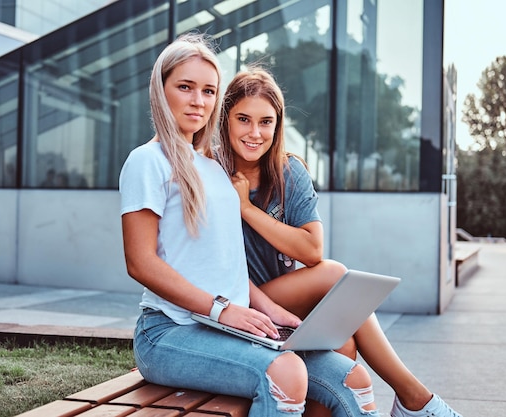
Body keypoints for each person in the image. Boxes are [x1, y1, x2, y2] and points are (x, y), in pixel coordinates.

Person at [119, 33, 380, 417]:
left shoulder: (213, 169)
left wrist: (268, 307)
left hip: (224, 328)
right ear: (161, 89)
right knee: (285, 372)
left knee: (353, 380)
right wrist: (222, 310)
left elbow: (226, 264)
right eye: (185, 87)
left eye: (209, 91)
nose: (198, 100)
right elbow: (140, 263)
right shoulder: (148, 161)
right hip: (167, 333)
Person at [216, 66, 464, 417]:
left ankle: (412, 399)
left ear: (278, 124)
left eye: (266, 122)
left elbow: (311, 250)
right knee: (335, 273)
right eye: (243, 119)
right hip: (235, 302)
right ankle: (413, 397)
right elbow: (319, 261)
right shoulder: (211, 172)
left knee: (344, 343)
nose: (255, 132)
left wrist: (246, 208)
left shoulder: (290, 173)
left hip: (280, 300)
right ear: (225, 119)